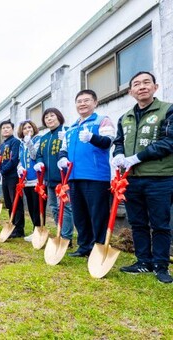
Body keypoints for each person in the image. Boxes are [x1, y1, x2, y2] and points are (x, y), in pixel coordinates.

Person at [112, 71, 173, 284]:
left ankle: (161, 265)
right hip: (132, 179)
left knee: (160, 224)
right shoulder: (125, 117)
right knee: (137, 222)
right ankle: (143, 261)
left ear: (155, 87)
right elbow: (118, 141)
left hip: (159, 177)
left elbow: (169, 142)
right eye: (136, 84)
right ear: (131, 92)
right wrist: (118, 154)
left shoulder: (168, 110)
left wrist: (137, 157)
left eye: (147, 82)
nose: (142, 87)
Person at [58, 89, 115, 257]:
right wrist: (61, 158)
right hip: (74, 176)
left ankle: (98, 246)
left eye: (87, 100)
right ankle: (84, 246)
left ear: (95, 103)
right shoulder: (71, 128)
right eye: (79, 101)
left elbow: (107, 142)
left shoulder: (102, 121)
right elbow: (64, 149)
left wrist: (92, 138)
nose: (82, 104)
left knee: (97, 213)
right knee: (79, 214)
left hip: (96, 176)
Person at [34, 108, 74, 245]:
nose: (49, 119)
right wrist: (39, 162)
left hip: (64, 179)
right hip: (49, 180)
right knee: (54, 208)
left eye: (52, 116)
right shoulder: (44, 138)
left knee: (66, 207)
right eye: (46, 117)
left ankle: (66, 238)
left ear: (59, 117)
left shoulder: (67, 131)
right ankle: (60, 231)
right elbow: (39, 154)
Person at [0, 120, 24, 238]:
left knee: (16, 202)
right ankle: (12, 224)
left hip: (13, 176)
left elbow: (14, 160)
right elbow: (1, 161)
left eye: (8, 127)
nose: (5, 130)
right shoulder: (2, 145)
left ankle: (19, 229)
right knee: (8, 202)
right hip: (5, 177)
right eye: (3, 128)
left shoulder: (15, 142)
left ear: (12, 129)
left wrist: (1, 172)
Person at [16, 120, 43, 241]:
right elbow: (20, 159)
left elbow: (34, 155)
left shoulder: (38, 139)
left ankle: (39, 230)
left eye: (30, 127)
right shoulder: (21, 144)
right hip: (26, 180)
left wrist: (30, 143)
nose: (28, 130)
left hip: (37, 179)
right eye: (25, 128)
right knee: (31, 206)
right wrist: (20, 167)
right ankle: (34, 230)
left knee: (38, 206)